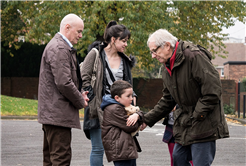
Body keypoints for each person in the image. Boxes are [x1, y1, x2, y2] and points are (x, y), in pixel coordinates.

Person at [141, 29, 229, 166]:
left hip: (203, 123)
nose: (152, 56)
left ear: (167, 46)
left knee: (200, 163)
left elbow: (213, 91)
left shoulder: (194, 56)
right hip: (185, 124)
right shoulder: (166, 65)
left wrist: (196, 115)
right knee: (178, 159)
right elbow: (168, 100)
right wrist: (146, 119)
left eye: (154, 51)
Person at [80, 20, 137, 166]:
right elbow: (84, 77)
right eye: (123, 41)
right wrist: (92, 100)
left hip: (119, 110)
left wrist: (133, 96)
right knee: (98, 149)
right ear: (113, 40)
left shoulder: (125, 60)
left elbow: (128, 84)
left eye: (127, 41)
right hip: (98, 108)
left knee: (122, 148)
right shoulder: (95, 54)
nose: (126, 44)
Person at [38, 13, 89, 166]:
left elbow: (60, 82)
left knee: (50, 160)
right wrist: (80, 100)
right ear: (67, 27)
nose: (80, 35)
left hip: (52, 114)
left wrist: (79, 94)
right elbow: (64, 82)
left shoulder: (57, 45)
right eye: (79, 31)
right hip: (57, 117)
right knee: (61, 160)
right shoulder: (60, 48)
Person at [100, 80, 144, 166]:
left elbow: (139, 112)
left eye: (132, 95)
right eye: (128, 96)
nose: (131, 98)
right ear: (117, 98)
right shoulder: (114, 109)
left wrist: (137, 115)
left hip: (123, 149)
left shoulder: (119, 106)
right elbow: (131, 126)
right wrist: (139, 116)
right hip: (121, 151)